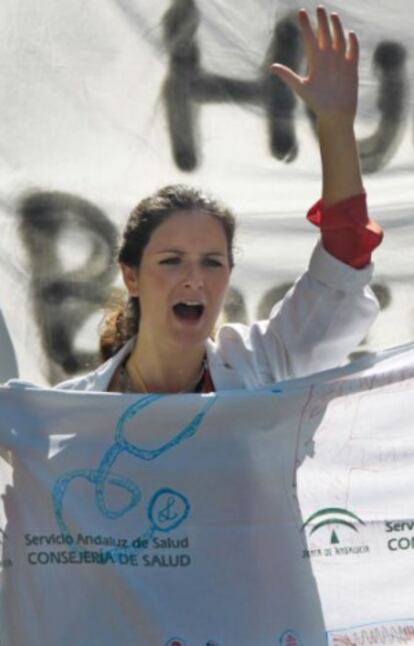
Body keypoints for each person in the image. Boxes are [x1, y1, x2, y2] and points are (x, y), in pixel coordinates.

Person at [57, 7, 383, 396]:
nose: (194, 278)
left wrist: (335, 124)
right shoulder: (68, 414)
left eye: (212, 262)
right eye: (171, 260)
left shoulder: (263, 368)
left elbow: (344, 258)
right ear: (131, 276)